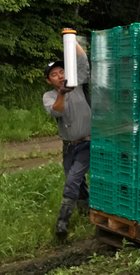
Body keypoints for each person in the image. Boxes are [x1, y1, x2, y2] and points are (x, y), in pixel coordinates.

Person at [42, 37, 91, 241]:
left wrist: (72, 42)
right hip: (68, 146)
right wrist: (62, 94)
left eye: (62, 71)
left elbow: (83, 62)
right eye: (54, 74)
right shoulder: (49, 96)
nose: (59, 76)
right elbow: (57, 112)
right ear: (49, 80)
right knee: (76, 183)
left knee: (72, 180)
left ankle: (62, 222)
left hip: (88, 143)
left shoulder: (78, 84)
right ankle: (86, 212)